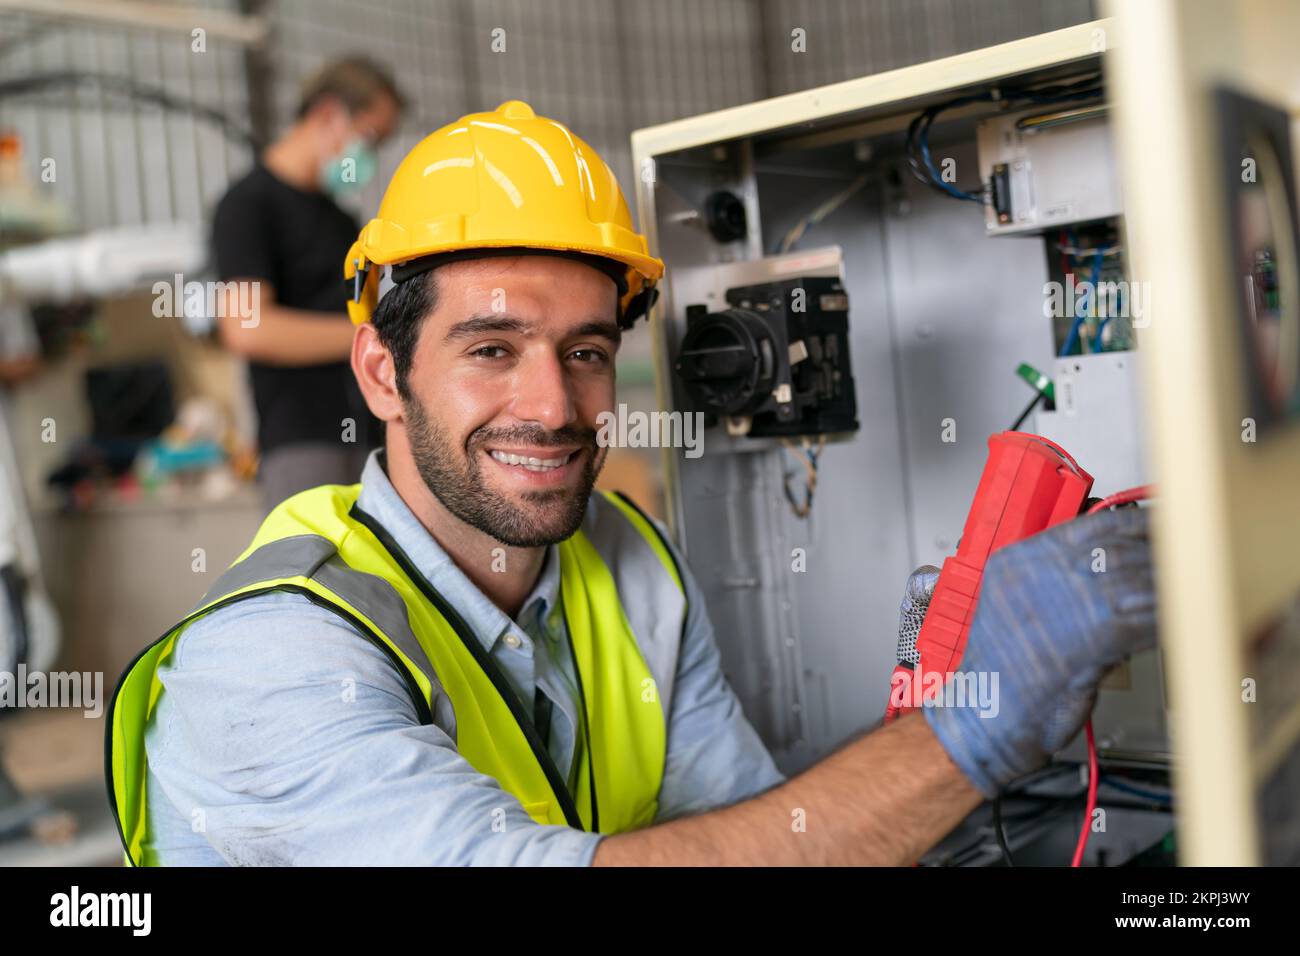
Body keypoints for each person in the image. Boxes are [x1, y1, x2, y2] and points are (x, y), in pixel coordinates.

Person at [107, 101, 1157, 866]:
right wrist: (966, 734)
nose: (554, 407)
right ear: (384, 373)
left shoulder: (627, 561)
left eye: (585, 350)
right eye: (490, 348)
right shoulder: (275, 655)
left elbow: (766, 833)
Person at [211, 57, 403, 509]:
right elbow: (247, 328)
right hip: (303, 444)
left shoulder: (338, 218)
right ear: (327, 114)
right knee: (309, 570)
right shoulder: (249, 204)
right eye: (370, 138)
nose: (370, 157)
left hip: (370, 431)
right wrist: (368, 338)